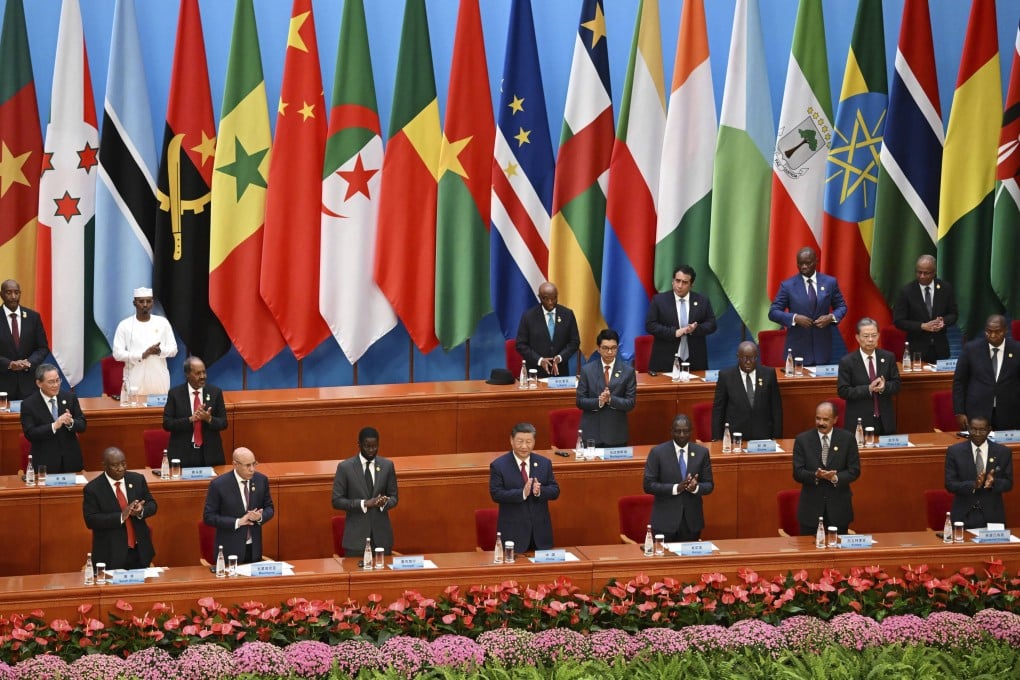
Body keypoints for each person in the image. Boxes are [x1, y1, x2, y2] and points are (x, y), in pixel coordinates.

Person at [768, 247, 847, 366]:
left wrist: (831, 317)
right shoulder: (788, 286)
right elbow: (773, 312)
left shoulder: (829, 282)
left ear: (816, 261)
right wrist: (794, 318)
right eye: (800, 264)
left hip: (822, 350)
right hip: (797, 352)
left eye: (808, 263)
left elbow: (841, 306)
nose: (804, 267)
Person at [489, 422, 560, 552]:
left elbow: (555, 490)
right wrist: (522, 493)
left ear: (534, 442)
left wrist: (540, 491)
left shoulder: (544, 463)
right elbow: (496, 494)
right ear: (511, 440)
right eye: (520, 441)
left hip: (541, 535)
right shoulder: (499, 465)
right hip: (513, 536)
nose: (524, 446)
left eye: (528, 442)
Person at [82, 447, 157, 570]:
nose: (121, 468)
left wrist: (140, 511)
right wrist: (121, 516)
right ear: (104, 466)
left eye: (123, 463)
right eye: (115, 465)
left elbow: (152, 504)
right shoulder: (93, 489)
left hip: (140, 552)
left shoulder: (137, 479)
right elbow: (91, 520)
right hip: (110, 554)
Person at [792, 401, 860, 535]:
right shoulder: (802, 440)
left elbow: (854, 471)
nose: (821, 423)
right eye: (818, 418)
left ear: (835, 419)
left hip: (839, 509)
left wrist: (835, 477)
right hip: (810, 511)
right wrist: (816, 475)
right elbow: (797, 473)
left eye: (825, 419)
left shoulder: (848, 439)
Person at [643, 414, 714, 542]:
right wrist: (676, 488)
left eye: (685, 431)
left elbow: (709, 485)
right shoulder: (657, 453)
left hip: (691, 522)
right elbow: (648, 485)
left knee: (689, 562)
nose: (682, 435)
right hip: (664, 522)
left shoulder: (701, 453)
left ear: (691, 431)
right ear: (671, 431)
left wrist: (695, 488)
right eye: (678, 431)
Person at [331, 427, 398, 556]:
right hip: (356, 540)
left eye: (375, 446)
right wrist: (365, 503)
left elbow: (394, 497)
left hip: (382, 539)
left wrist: (384, 502)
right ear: (359, 444)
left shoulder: (387, 466)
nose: (371, 450)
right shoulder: (345, 467)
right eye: (367, 446)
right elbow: (336, 500)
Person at [202, 447, 274, 564]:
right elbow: (208, 517)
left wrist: (259, 517)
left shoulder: (261, 480)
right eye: (247, 465)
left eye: (254, 464)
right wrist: (238, 522)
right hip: (229, 550)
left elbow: (269, 508)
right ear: (235, 464)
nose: (252, 469)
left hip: (254, 549)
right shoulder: (219, 485)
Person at [952, 315, 1020, 432]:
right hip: (977, 412)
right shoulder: (971, 349)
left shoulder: (1017, 349)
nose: (992, 335)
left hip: (1010, 412)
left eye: (997, 331)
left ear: (1005, 330)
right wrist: (959, 411)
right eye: (989, 331)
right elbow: (959, 382)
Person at [645, 265, 717, 372]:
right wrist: (674, 332)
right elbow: (650, 325)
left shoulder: (702, 301)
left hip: (696, 361)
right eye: (677, 281)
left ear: (692, 284)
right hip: (664, 361)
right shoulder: (659, 300)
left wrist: (695, 329)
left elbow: (712, 324)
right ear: (672, 281)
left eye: (684, 282)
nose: (680, 285)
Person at [945, 416, 1013, 529]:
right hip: (963, 516)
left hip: (993, 516)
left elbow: (1008, 483)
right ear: (968, 429)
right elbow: (950, 484)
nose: (977, 433)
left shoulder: (1003, 452)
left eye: (981, 430)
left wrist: (993, 482)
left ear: (989, 430)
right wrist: (973, 485)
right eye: (973, 429)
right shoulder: (954, 452)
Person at [837, 318, 901, 435]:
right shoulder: (847, 362)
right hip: (859, 422)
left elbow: (897, 384)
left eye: (874, 335)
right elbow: (843, 391)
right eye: (866, 336)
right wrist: (868, 389)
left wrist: (884, 387)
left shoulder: (888, 357)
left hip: (884, 421)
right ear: (857, 338)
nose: (870, 340)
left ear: (878, 336)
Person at [892, 254, 959, 364]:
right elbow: (898, 321)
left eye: (926, 273)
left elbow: (953, 314)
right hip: (917, 350)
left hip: (940, 349)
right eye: (919, 272)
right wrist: (922, 326)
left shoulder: (945, 288)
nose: (922, 276)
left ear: (934, 272)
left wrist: (943, 322)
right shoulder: (907, 291)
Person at [20, 363, 86, 473]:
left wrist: (71, 422)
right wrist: (54, 426)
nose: (56, 385)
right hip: (44, 463)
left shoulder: (69, 397)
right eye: (51, 382)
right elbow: (30, 433)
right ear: (39, 383)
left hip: (71, 462)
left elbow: (83, 425)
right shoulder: (29, 404)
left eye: (57, 380)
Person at [112, 287, 178, 396]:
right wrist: (142, 354)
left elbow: (174, 350)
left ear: (152, 303)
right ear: (134, 303)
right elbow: (117, 354)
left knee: (159, 411)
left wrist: (159, 351)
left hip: (158, 377)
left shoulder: (162, 323)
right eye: (141, 301)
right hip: (134, 377)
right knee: (134, 410)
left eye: (148, 301)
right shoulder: (125, 325)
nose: (145, 304)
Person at [711, 341, 783, 441]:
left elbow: (776, 408)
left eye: (752, 358)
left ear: (756, 357)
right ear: (738, 357)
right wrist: (717, 438)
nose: (748, 362)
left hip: (763, 436)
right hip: (735, 437)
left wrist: (777, 436)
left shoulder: (768, 374)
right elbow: (718, 410)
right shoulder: (726, 376)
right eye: (744, 358)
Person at [576, 328, 637, 446]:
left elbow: (630, 403)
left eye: (613, 348)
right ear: (598, 349)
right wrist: (599, 401)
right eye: (605, 348)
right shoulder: (587, 370)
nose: (610, 352)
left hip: (616, 434)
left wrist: (610, 400)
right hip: (592, 433)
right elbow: (580, 401)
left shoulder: (628, 372)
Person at [163, 357, 227, 467]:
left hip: (210, 453)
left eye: (204, 372)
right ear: (187, 374)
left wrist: (209, 419)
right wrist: (190, 419)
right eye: (198, 373)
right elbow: (167, 424)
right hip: (182, 453)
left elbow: (224, 423)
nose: (203, 376)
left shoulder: (215, 392)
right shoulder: (175, 394)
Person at [514, 282, 581, 377]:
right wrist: (540, 360)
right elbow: (520, 345)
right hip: (536, 373)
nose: (550, 302)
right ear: (539, 297)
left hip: (560, 373)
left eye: (554, 298)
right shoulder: (528, 316)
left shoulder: (567, 314)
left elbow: (574, 342)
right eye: (546, 299)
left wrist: (560, 357)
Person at [0, 279, 50, 400]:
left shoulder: (33, 317)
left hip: (29, 386)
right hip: (2, 386)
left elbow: (42, 348)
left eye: (16, 292)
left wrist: (29, 362)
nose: (13, 296)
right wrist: (9, 364)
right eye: (8, 292)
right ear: (1, 294)